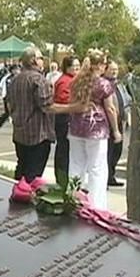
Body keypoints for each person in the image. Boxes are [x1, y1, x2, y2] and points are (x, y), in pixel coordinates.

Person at [6, 47, 87, 183]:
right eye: (40, 58)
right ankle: (26, 200)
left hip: (19, 133)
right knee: (33, 176)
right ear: (33, 61)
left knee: (21, 171)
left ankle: (16, 196)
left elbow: (8, 104)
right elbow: (48, 107)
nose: (43, 61)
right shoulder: (38, 80)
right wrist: (74, 107)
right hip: (38, 135)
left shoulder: (15, 79)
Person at [68, 49, 121, 209]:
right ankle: (97, 205)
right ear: (99, 65)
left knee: (76, 164)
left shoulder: (77, 81)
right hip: (96, 129)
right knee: (97, 168)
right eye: (104, 63)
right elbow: (110, 108)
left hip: (77, 127)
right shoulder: (103, 84)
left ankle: (71, 198)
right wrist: (116, 130)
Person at [53, 56, 81, 184]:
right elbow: (64, 99)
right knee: (64, 151)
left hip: (68, 117)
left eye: (78, 66)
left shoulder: (72, 79)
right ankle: (62, 179)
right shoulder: (65, 81)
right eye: (74, 66)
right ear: (67, 67)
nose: (76, 68)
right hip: (64, 119)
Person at [104, 61, 129, 187]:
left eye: (116, 69)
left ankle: (111, 175)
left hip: (120, 120)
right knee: (109, 151)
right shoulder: (105, 84)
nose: (114, 71)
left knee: (117, 151)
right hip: (108, 122)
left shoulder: (120, 85)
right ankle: (106, 177)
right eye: (112, 69)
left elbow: (126, 100)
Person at [0, 64, 20, 134]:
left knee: (11, 113)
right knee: (8, 113)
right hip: (8, 98)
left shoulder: (17, 77)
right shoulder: (9, 78)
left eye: (18, 69)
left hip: (15, 98)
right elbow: (7, 88)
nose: (17, 71)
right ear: (12, 70)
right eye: (16, 69)